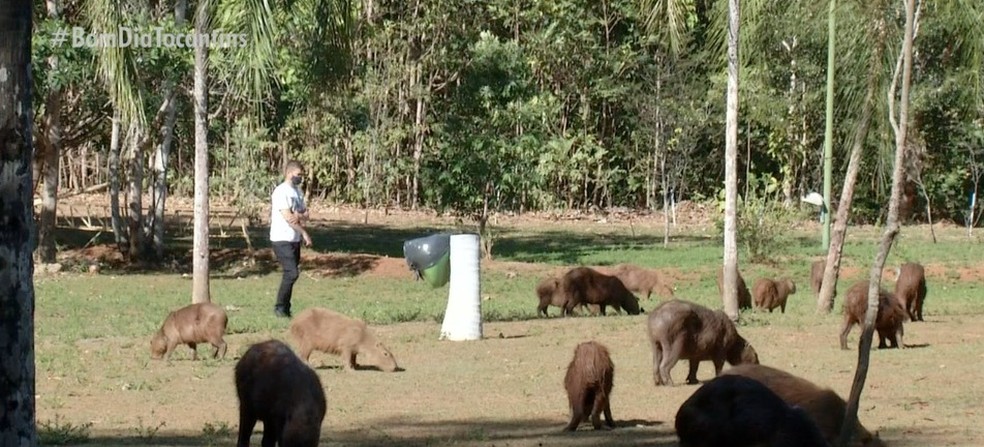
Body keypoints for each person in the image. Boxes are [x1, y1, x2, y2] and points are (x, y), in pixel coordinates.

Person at [269, 160, 312, 318]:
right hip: (281, 238)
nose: (301, 178)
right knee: (292, 273)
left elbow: (306, 214)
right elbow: (289, 218)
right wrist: (304, 233)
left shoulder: (298, 192)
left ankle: (286, 309)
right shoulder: (281, 192)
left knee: (292, 274)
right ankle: (280, 308)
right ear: (289, 173)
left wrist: (299, 216)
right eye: (298, 175)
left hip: (294, 239)